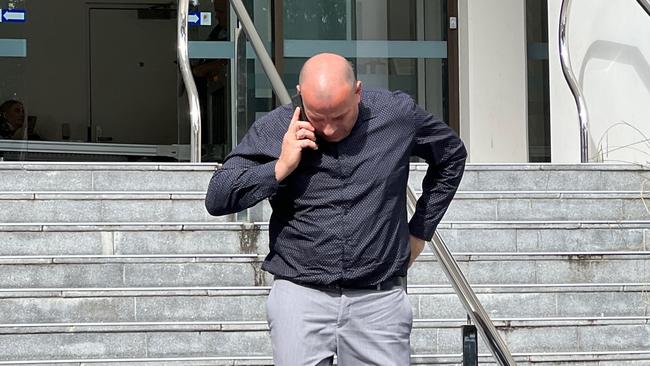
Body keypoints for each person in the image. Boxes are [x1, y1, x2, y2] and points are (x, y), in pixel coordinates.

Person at [205, 53, 466, 365]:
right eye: (318, 117)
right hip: (300, 297)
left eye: (340, 116)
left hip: (378, 300)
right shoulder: (276, 129)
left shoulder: (396, 114)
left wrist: (421, 230)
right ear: (300, 94)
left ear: (358, 91)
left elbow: (451, 155)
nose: (328, 129)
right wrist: (280, 166)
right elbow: (218, 197)